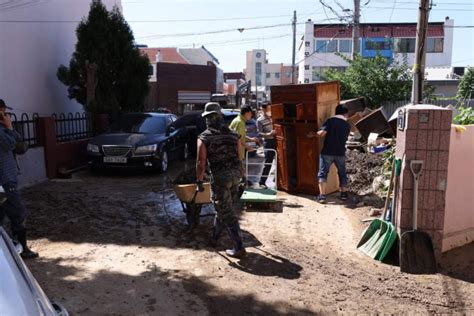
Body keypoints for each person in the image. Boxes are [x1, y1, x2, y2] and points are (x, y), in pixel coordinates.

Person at [196, 102, 246, 258]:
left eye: (207, 117)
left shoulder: (204, 137)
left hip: (220, 179)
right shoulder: (233, 134)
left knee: (228, 212)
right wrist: (242, 177)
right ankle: (214, 238)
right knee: (223, 208)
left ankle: (239, 247)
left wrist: (199, 181)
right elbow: (239, 159)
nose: (207, 120)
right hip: (235, 177)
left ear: (209, 119)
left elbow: (200, 163)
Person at [0, 99, 38, 258]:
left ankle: (9, 253)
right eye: (4, 112)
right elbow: (8, 145)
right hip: (4, 181)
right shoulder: (3, 131)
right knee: (18, 212)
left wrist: (10, 129)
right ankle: (21, 249)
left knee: (2, 215)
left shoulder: (3, 129)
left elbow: (21, 147)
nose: (7, 115)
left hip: (7, 178)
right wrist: (9, 128)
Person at [308, 104, 351, 204]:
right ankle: (344, 194)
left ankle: (322, 196)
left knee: (323, 173)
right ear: (345, 113)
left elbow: (322, 133)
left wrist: (313, 134)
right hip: (340, 152)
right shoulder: (347, 125)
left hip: (327, 152)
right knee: (342, 173)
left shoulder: (330, 121)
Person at [257, 104, 276, 188]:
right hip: (268, 142)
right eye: (268, 108)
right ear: (264, 109)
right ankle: (262, 182)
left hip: (277, 140)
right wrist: (269, 134)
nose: (269, 110)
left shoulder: (273, 117)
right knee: (268, 162)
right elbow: (259, 133)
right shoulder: (259, 120)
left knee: (280, 162)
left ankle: (277, 179)